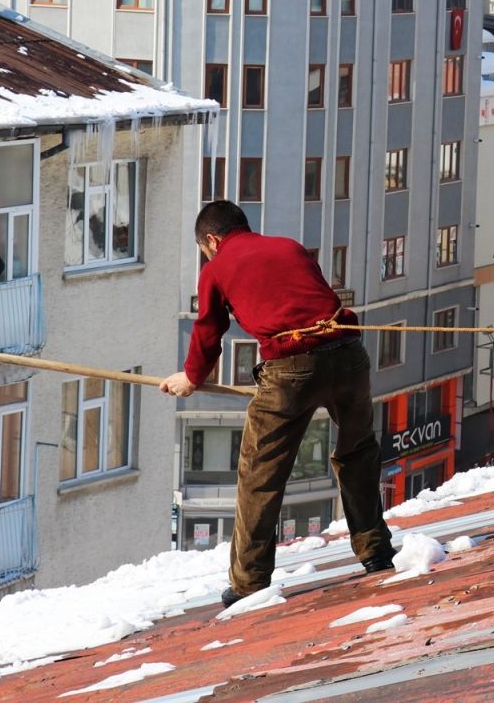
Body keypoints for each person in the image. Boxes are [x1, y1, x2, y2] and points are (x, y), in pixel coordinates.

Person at [160, 201, 395, 606]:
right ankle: (375, 552)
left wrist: (191, 378)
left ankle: (249, 583)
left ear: (212, 240)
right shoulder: (289, 246)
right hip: (349, 355)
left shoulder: (216, 268)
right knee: (358, 451)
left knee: (260, 473)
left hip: (291, 369)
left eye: (205, 250)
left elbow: (209, 330)